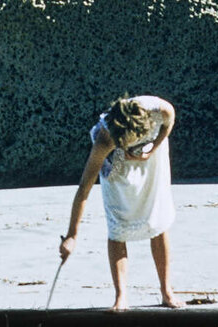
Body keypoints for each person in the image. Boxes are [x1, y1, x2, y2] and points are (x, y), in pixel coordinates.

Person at [59, 95, 182, 311]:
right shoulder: (106, 139)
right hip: (115, 161)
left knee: (157, 214)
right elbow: (84, 187)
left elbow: (169, 122)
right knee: (118, 220)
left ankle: (166, 291)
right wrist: (72, 235)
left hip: (151, 151)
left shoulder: (159, 109)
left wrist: (153, 147)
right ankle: (121, 296)